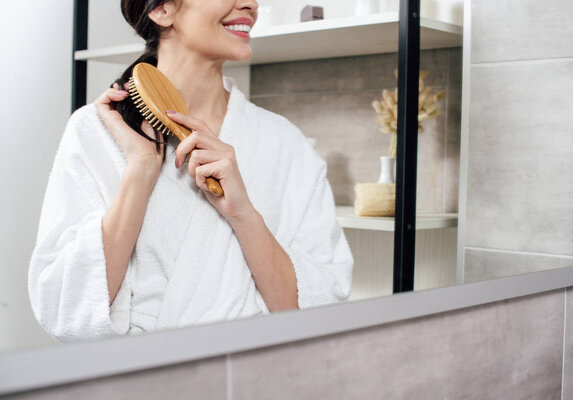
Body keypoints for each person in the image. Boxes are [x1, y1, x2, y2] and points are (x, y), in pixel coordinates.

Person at [28, 0, 353, 343]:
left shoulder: (284, 142)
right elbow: (68, 307)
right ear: (162, 9)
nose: (251, 4)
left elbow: (320, 308)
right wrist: (140, 171)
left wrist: (242, 213)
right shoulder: (94, 132)